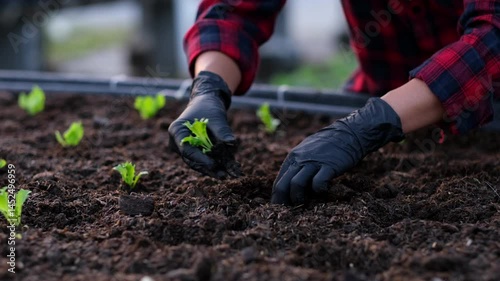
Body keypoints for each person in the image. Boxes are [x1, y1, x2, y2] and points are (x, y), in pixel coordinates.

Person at [168, 0, 499, 205]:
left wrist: (364, 128)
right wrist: (210, 86)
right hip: (378, 94)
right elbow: (235, 11)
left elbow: (492, 37)